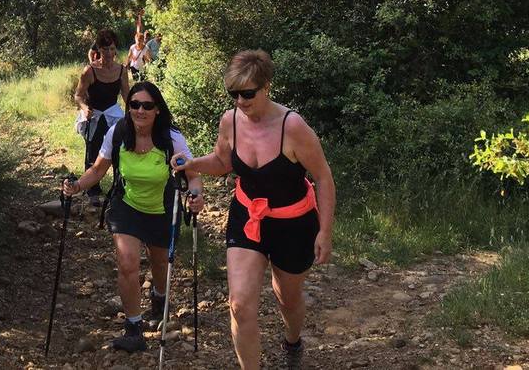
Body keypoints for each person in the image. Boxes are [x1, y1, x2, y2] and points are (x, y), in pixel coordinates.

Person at [171, 50, 335, 370]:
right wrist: (192, 164)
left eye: (248, 93)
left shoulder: (293, 127)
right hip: (248, 216)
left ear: (266, 87)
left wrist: (325, 231)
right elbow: (222, 162)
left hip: (293, 222)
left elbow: (324, 178)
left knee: (287, 298)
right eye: (234, 94)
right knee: (240, 306)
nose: (241, 101)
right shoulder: (230, 121)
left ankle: (292, 340)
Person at [63, 81, 204, 352]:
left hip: (161, 208)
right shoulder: (118, 132)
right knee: (127, 262)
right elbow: (98, 169)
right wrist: (77, 186)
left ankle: (159, 298)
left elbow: (193, 175)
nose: (140, 110)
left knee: (160, 262)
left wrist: (195, 197)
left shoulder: (171, 138)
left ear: (158, 110)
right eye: (134, 105)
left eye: (147, 105)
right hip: (126, 205)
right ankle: (133, 328)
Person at [73, 29, 131, 207]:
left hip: (113, 114)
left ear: (116, 50)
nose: (108, 53)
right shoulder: (89, 71)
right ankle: (92, 191)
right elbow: (78, 95)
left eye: (112, 49)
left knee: (119, 151)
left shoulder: (121, 70)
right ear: (98, 49)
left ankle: (118, 188)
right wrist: (84, 107)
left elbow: (127, 95)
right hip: (95, 115)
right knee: (93, 151)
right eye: (105, 49)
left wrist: (133, 114)